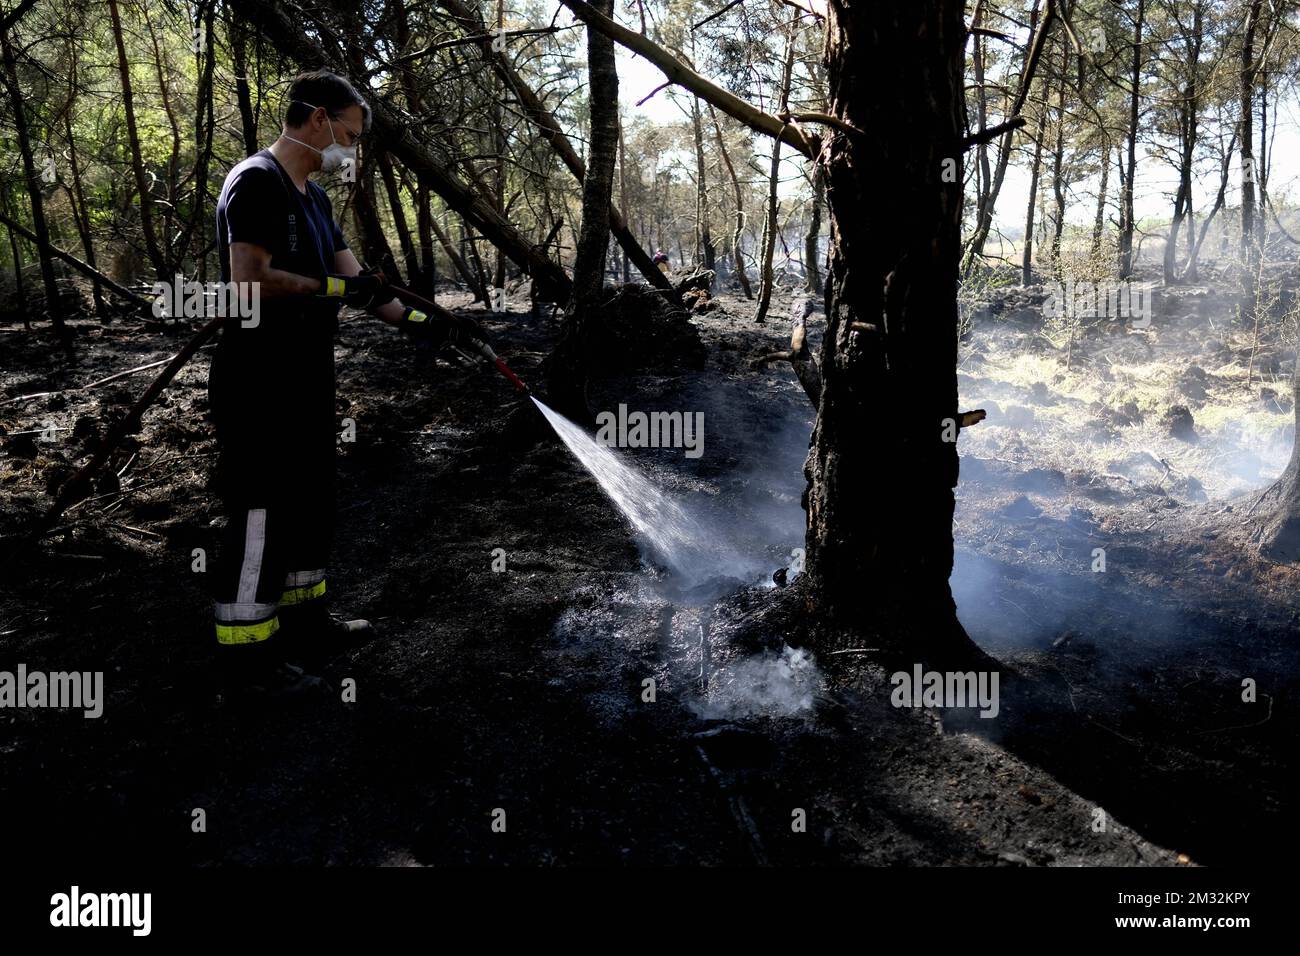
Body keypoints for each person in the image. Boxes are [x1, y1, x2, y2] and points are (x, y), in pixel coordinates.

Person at [209, 69, 486, 699]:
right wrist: (337, 290)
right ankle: (247, 654)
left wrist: (432, 326)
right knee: (261, 509)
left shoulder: (316, 200)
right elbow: (249, 278)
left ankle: (306, 622)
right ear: (316, 120)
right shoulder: (257, 182)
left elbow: (361, 285)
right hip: (257, 378)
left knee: (310, 498)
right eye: (350, 135)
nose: (351, 150)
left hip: (307, 375)